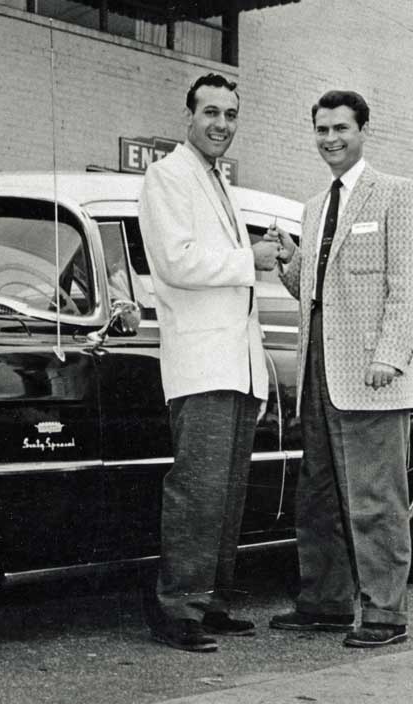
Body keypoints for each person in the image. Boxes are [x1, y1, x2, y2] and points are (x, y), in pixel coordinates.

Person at [269, 90, 413, 648]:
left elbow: (408, 285)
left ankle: (385, 614)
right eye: (321, 130)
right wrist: (292, 261)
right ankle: (325, 603)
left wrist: (389, 354)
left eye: (340, 128)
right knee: (318, 496)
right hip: (319, 373)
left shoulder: (395, 195)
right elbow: (312, 296)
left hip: (371, 376)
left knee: (374, 499)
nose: (330, 139)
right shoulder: (313, 208)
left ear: (364, 130)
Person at [137, 73, 280, 653]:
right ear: (188, 118)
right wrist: (253, 257)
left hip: (236, 364)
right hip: (201, 363)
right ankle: (177, 608)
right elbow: (178, 262)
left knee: (227, 491)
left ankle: (212, 601)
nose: (221, 124)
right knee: (197, 488)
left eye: (230, 115)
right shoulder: (166, 176)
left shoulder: (217, 181)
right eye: (211, 113)